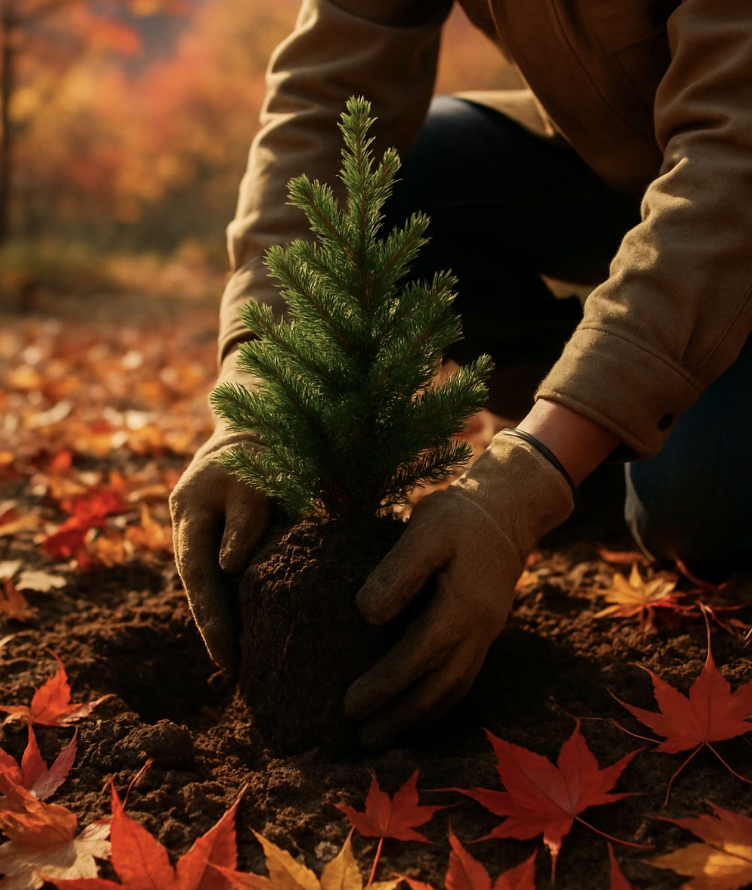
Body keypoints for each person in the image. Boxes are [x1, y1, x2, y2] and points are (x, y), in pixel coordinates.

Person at [170, 0, 752, 748]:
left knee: (693, 509)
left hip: (727, 191)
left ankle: (614, 425)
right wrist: (260, 383)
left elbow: (730, 167)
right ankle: (602, 428)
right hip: (609, 162)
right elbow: (321, 100)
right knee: (382, 184)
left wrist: (525, 481)